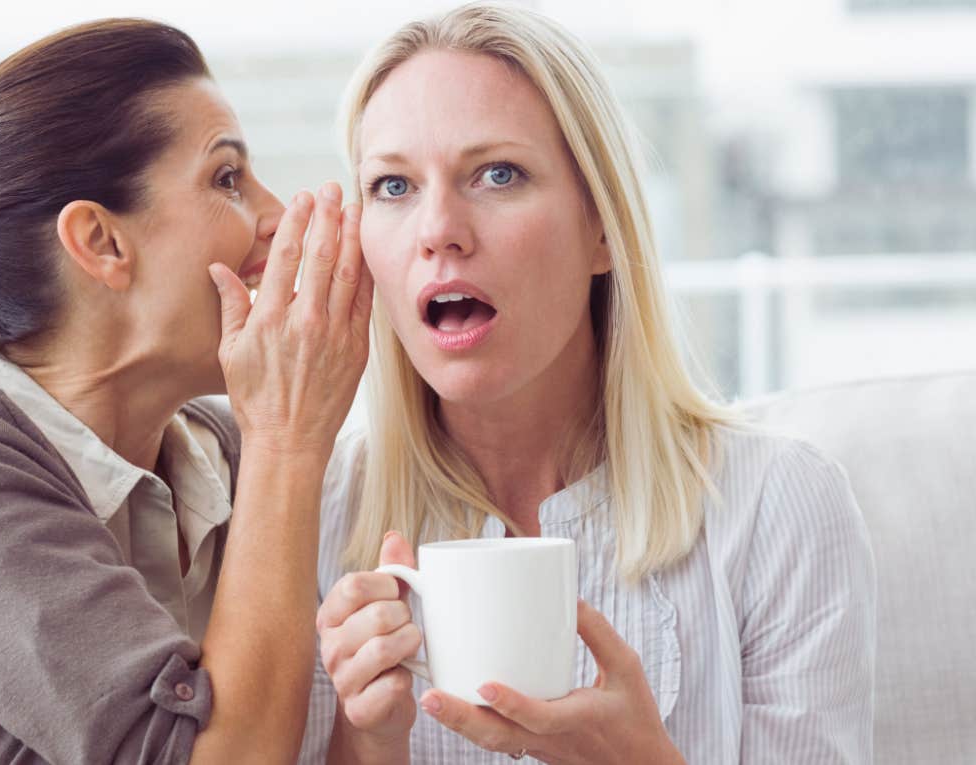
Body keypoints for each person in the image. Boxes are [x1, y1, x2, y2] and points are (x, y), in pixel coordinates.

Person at [0, 19, 373, 764]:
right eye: (226, 179)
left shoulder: (218, 452)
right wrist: (289, 439)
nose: (279, 217)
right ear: (100, 242)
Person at [300, 3, 876, 763]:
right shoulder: (314, 515)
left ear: (601, 226)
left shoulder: (777, 507)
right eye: (394, 186)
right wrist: (367, 743)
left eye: (496, 173)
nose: (438, 227)